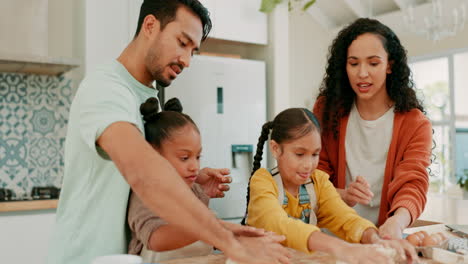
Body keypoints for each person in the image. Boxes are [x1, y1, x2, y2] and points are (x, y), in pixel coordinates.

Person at [47, 1, 290, 264]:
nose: (186, 61)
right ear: (150, 26)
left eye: (192, 51)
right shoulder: (106, 89)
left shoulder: (150, 99)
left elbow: (146, 182)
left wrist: (198, 187)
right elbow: (143, 171)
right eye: (181, 42)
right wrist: (228, 241)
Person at [243, 108, 418, 264]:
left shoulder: (318, 182)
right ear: (275, 149)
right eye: (299, 154)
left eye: (315, 154)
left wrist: (375, 239)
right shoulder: (262, 181)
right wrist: (342, 248)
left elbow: (345, 218)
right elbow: (278, 224)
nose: (309, 165)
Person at [312, 18, 432, 240]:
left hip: (382, 238)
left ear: (390, 65)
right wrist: (342, 195)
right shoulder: (327, 110)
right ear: (344, 66)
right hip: (330, 237)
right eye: (354, 63)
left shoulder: (415, 123)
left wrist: (397, 222)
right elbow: (313, 174)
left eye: (373, 63)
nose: (362, 73)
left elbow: (413, 182)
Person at [128, 97, 270, 262]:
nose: (194, 166)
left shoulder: (194, 190)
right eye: (184, 157)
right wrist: (211, 229)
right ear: (153, 155)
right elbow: (156, 239)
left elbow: (203, 242)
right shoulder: (145, 193)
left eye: (197, 156)